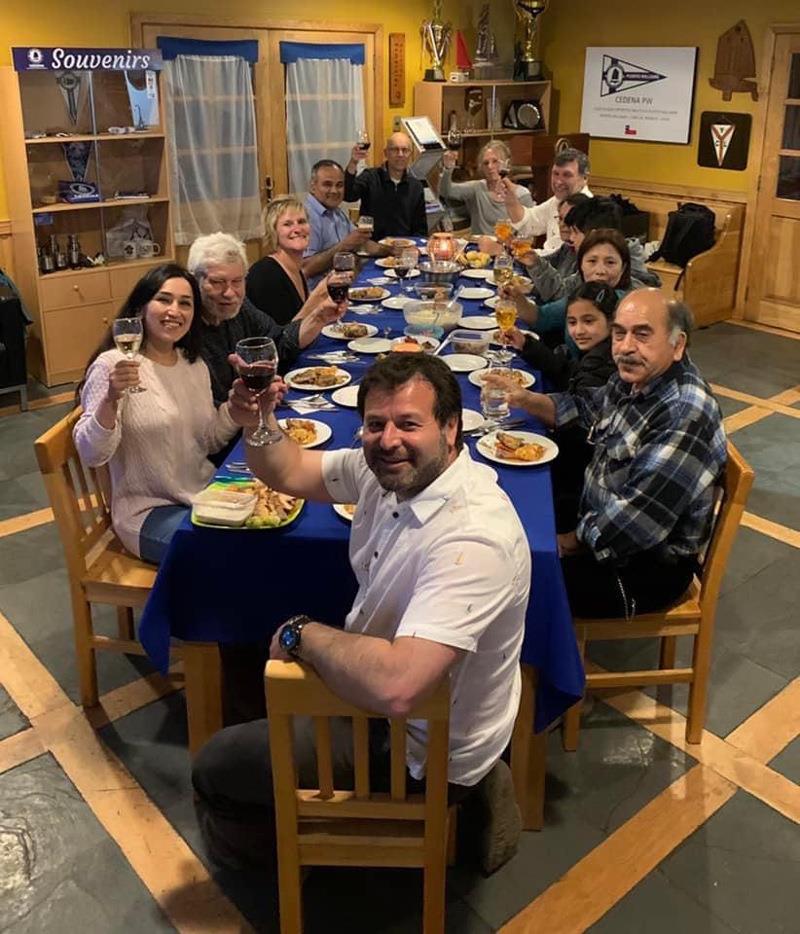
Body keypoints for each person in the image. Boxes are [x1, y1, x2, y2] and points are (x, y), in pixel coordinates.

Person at [192, 353, 531, 872]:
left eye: (409, 424)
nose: (389, 439)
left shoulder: (474, 536)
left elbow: (398, 687)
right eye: (376, 424)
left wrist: (301, 633)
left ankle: (285, 866)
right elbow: (287, 468)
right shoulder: (390, 472)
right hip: (434, 701)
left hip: (421, 748)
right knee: (243, 670)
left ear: (451, 427)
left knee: (215, 764)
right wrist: (260, 420)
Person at [490, 289, 726, 619]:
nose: (626, 346)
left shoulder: (683, 413)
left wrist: (561, 544)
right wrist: (525, 399)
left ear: (678, 345)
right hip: (601, 523)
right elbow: (584, 408)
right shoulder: (636, 380)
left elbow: (636, 523)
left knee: (503, 582)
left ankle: (546, 667)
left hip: (641, 566)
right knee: (504, 511)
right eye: (619, 333)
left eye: (642, 334)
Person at [73, 264, 240, 564]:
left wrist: (237, 407)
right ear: (141, 306)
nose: (174, 310)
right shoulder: (112, 365)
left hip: (202, 495)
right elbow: (90, 454)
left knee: (267, 533)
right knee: (226, 554)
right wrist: (111, 399)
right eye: (164, 299)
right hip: (146, 513)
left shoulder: (193, 365)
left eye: (185, 303)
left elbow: (208, 441)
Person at [495, 281, 618, 532]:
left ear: (611, 322)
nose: (579, 330)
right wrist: (527, 345)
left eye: (589, 321)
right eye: (572, 322)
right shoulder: (595, 353)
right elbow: (566, 372)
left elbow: (577, 414)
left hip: (581, 477)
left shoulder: (607, 361)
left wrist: (526, 399)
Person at [188, 232, 345, 405]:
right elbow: (206, 410)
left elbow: (279, 341)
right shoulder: (187, 329)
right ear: (195, 281)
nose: (230, 293)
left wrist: (319, 317)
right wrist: (253, 399)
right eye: (217, 282)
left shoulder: (241, 307)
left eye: (237, 281)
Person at [507, 229, 638, 350]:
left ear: (623, 267)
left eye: (610, 263)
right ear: (580, 265)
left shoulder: (632, 306)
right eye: (592, 261)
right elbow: (541, 318)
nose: (600, 271)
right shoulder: (583, 294)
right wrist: (517, 298)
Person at [523, 197, 660, 303]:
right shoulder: (589, 265)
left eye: (575, 233)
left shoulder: (630, 291)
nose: (571, 238)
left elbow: (560, 301)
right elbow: (562, 293)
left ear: (593, 234)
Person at [246, 197, 334, 326]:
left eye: (302, 221)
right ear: (273, 231)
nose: (297, 229)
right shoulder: (265, 275)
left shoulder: (295, 269)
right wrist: (317, 296)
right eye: (287, 224)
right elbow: (282, 338)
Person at [301, 159, 377, 288]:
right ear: (313, 187)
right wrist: (345, 246)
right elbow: (306, 268)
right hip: (319, 295)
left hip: (345, 285)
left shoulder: (336, 211)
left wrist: (394, 251)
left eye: (339, 185)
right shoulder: (306, 217)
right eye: (327, 184)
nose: (335, 191)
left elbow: (361, 242)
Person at [436, 139, 534, 235]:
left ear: (507, 163)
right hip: (478, 248)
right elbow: (446, 191)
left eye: (495, 161)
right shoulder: (477, 188)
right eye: (486, 163)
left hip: (508, 248)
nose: (490, 166)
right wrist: (448, 168)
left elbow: (529, 231)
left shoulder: (522, 195)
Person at [344, 132, 427, 242]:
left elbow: (420, 229)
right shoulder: (370, 177)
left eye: (405, 150)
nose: (400, 154)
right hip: (372, 247)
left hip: (404, 248)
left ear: (410, 155)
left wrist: (415, 248)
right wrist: (353, 162)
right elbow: (348, 195)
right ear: (386, 153)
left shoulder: (416, 186)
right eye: (395, 150)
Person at [505, 147, 592, 252]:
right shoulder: (558, 201)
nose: (558, 182)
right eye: (555, 174)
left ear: (585, 178)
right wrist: (510, 199)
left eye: (567, 175)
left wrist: (512, 250)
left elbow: (558, 258)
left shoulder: (587, 209)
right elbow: (529, 222)